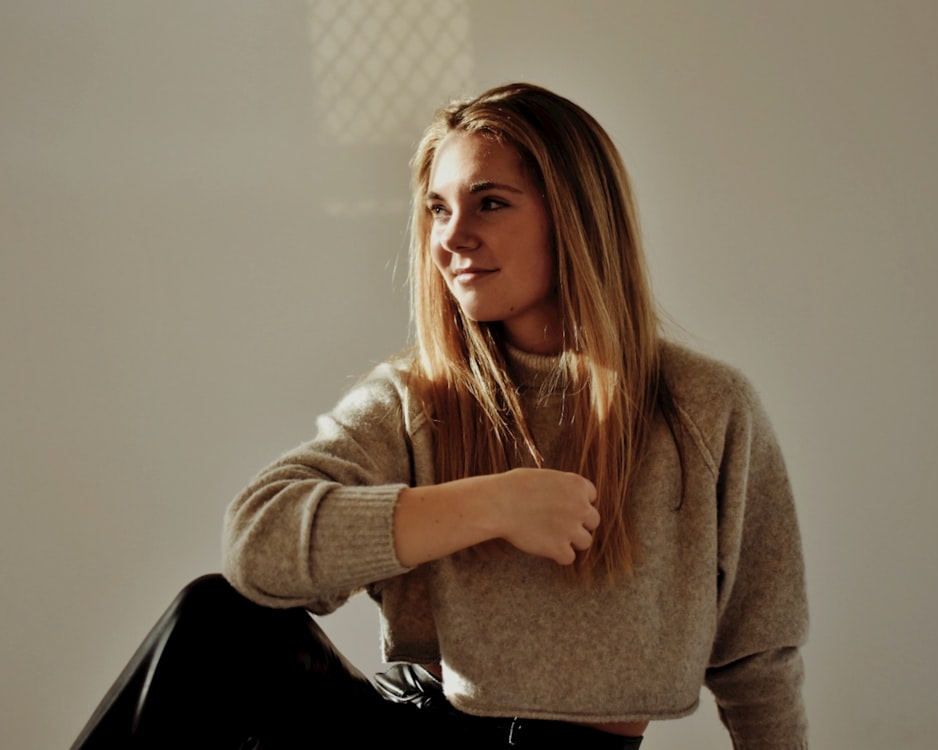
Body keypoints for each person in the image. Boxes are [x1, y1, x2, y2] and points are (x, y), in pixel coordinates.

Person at [71, 82, 808, 749]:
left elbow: (760, 662)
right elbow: (255, 546)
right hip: (415, 733)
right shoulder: (415, 402)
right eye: (437, 209)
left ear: (575, 217)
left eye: (489, 202)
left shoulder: (704, 408)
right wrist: (491, 503)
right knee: (218, 624)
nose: (451, 239)